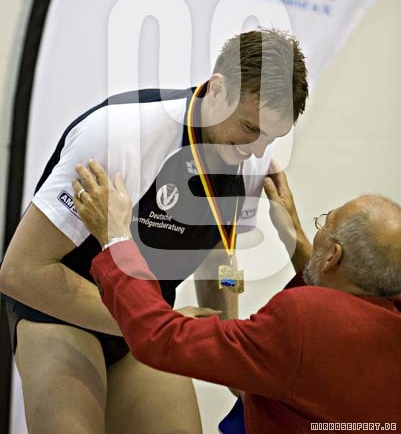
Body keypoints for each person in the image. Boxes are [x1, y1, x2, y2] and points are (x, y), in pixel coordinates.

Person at [0, 28, 308, 434]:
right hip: (63, 311)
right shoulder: (121, 133)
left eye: (273, 137)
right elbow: (21, 272)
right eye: (251, 128)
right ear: (217, 89)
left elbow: (221, 258)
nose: (258, 150)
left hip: (146, 322)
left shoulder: (251, 160)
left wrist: (227, 349)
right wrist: (156, 322)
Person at [73, 160, 401, 433]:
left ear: (333, 257)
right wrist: (293, 235)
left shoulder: (303, 319)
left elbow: (160, 337)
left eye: (323, 225)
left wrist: (116, 239)